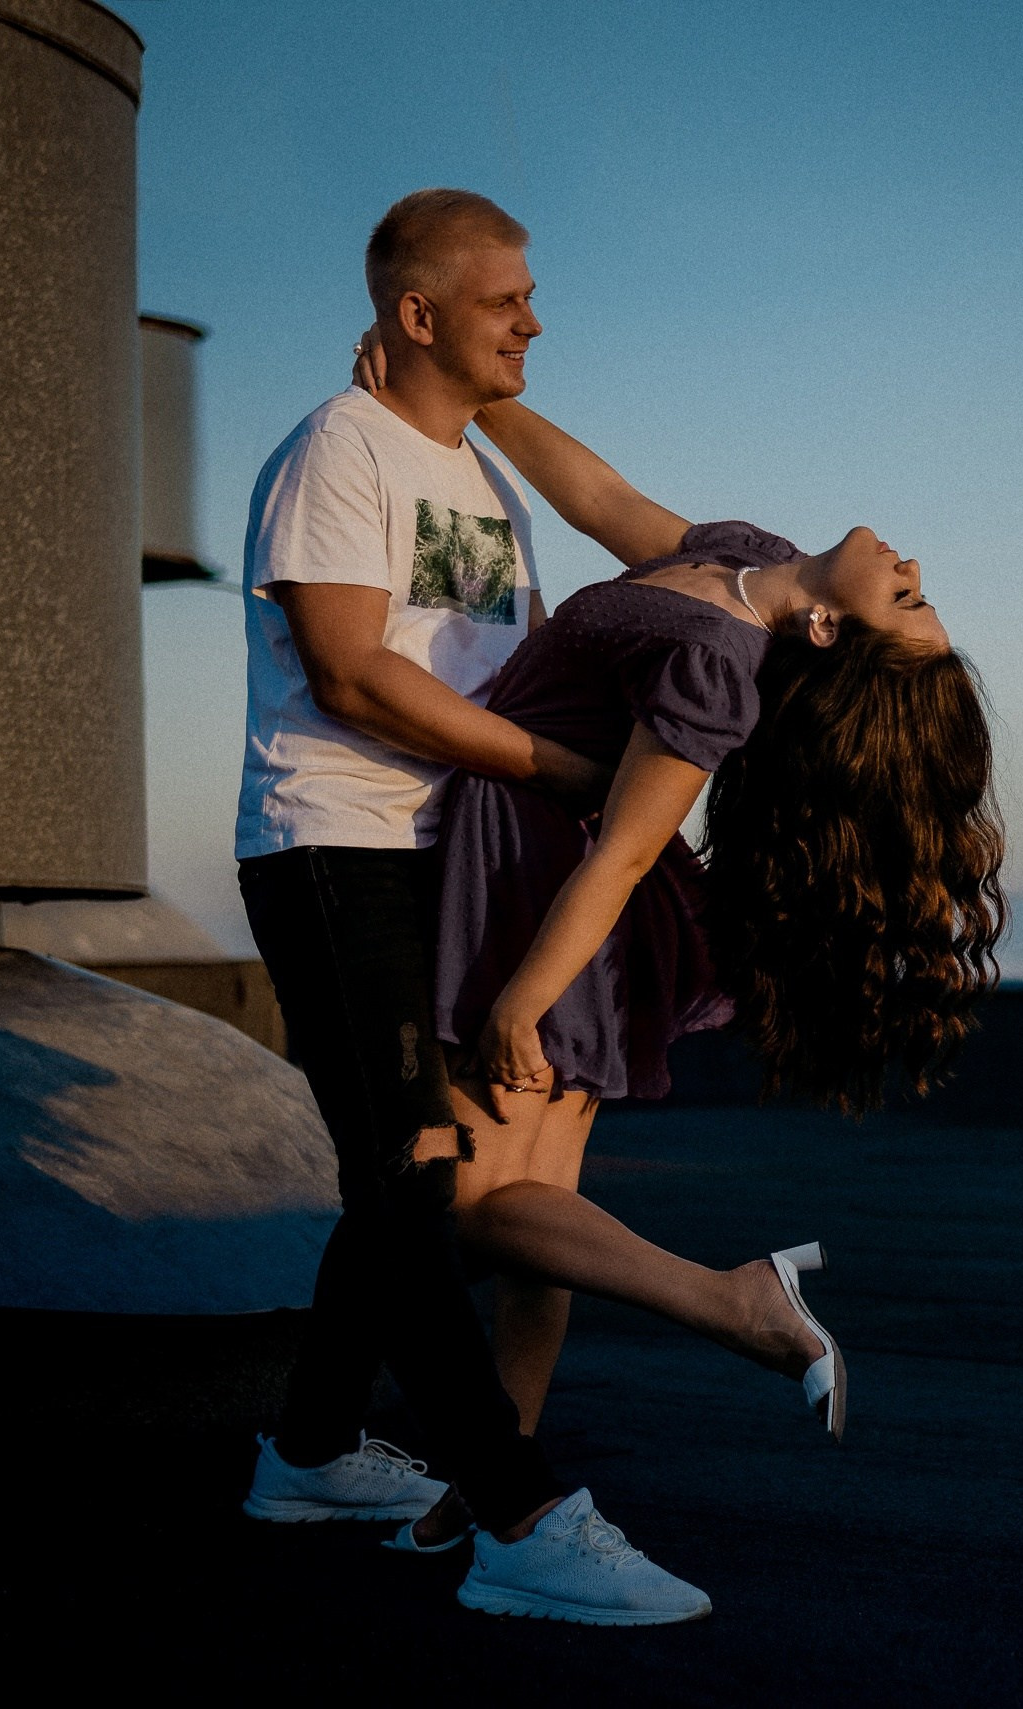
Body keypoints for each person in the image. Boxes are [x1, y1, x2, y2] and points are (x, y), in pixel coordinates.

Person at [345, 348, 1006, 1564]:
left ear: (825, 626)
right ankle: (486, 1483)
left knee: (481, 1209)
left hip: (540, 898)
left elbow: (620, 855)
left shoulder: (719, 665)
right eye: (917, 589)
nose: (913, 569)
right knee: (540, 1204)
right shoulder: (746, 559)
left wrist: (521, 1000)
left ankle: (732, 1300)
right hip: (542, 880)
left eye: (907, 600)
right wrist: (473, 393)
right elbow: (603, 501)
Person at [234, 188, 717, 1627]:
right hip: (340, 851)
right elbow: (351, 674)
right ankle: (520, 1518)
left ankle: (311, 1453)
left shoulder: (483, 481)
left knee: (418, 1180)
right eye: (507, 297)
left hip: (455, 867)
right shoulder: (341, 445)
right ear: (416, 312)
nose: (536, 317)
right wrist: (572, 769)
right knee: (413, 1172)